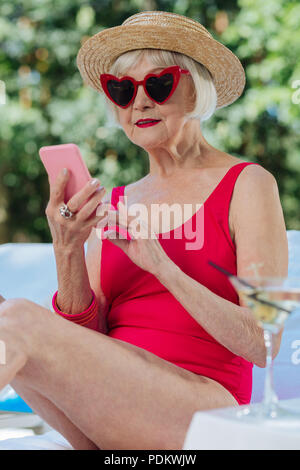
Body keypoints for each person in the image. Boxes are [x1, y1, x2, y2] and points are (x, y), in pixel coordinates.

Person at [0, 11, 288, 450]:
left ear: (198, 87)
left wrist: (162, 266)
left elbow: (263, 344)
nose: (139, 102)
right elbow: (87, 339)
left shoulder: (247, 184)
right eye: (122, 90)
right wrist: (68, 249)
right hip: (113, 409)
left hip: (209, 411)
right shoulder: (112, 203)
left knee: (18, 317)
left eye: (158, 83)